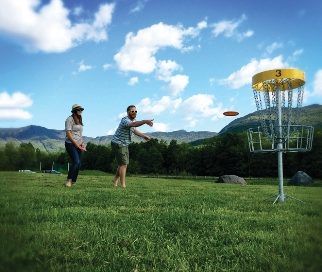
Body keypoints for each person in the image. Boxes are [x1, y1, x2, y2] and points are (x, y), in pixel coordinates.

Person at [111, 105, 153, 188]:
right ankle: (123, 185)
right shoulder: (125, 120)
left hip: (124, 143)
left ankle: (115, 179)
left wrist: (143, 136)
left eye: (136, 111)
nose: (134, 112)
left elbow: (134, 130)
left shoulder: (133, 120)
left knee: (122, 164)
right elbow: (134, 124)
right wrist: (144, 121)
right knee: (124, 164)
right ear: (128, 112)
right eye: (132, 111)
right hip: (118, 143)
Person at [65, 104, 86, 187]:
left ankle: (73, 181)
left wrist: (82, 144)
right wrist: (76, 144)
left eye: (81, 110)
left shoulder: (80, 120)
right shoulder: (69, 119)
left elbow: (80, 134)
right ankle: (68, 181)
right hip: (70, 144)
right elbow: (68, 134)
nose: (80, 111)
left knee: (79, 164)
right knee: (76, 162)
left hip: (79, 144)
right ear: (74, 110)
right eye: (79, 110)